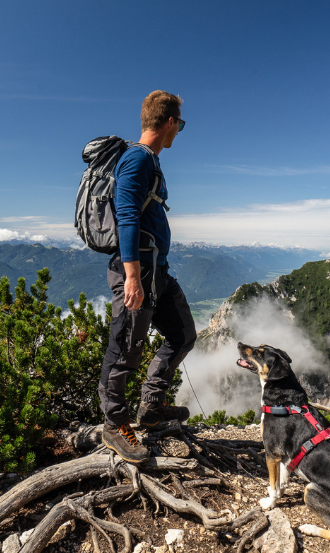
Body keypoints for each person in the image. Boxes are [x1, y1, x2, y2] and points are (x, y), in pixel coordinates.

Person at [99, 90, 197, 463]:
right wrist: (133, 277)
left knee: (183, 334)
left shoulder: (148, 161)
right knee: (125, 347)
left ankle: (152, 406)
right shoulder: (137, 159)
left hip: (156, 272)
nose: (179, 132)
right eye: (180, 125)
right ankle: (114, 424)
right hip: (137, 272)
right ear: (169, 122)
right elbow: (126, 215)